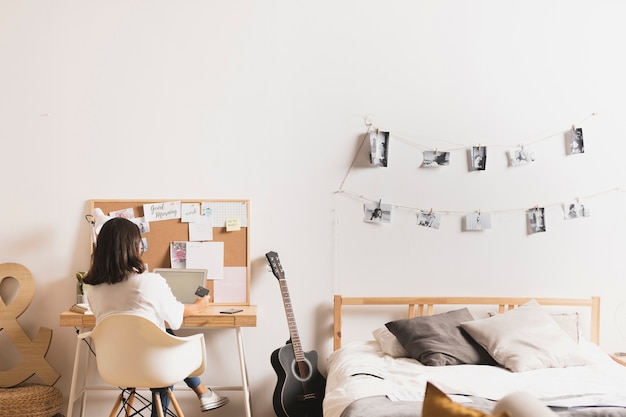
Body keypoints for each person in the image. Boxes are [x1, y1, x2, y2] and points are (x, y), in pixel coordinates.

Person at [83, 217, 228, 415]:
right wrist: (199, 305)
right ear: (133, 246)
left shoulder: (92, 289)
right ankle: (201, 393)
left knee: (159, 333)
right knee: (164, 339)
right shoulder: (148, 282)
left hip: (115, 367)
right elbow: (178, 316)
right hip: (154, 367)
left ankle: (204, 393)